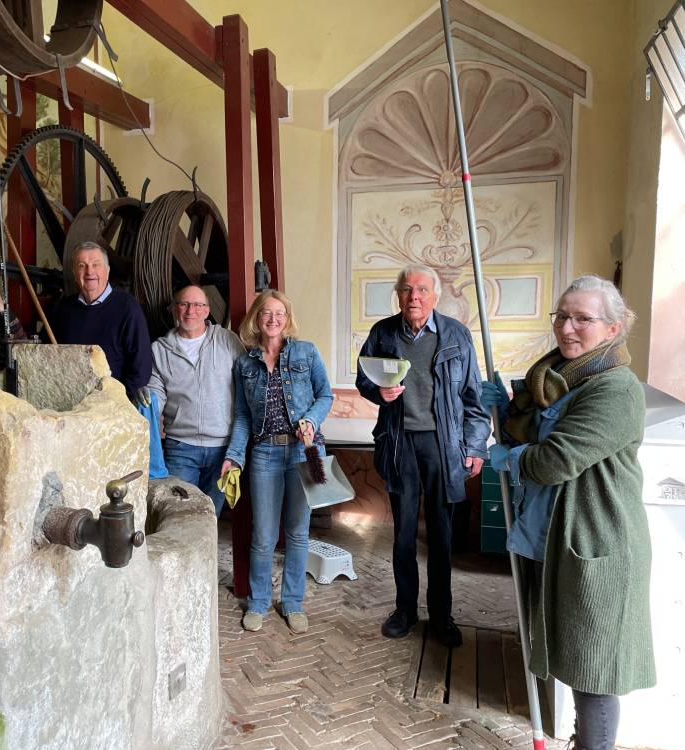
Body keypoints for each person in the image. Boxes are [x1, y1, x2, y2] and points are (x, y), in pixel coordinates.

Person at [481, 275, 655, 750]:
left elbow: (555, 460)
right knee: (566, 653)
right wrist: (508, 414)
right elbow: (534, 435)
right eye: (561, 315)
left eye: (582, 318)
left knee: (592, 668)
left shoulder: (615, 389)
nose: (567, 327)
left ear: (613, 328)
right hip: (551, 536)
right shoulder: (558, 378)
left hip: (595, 540)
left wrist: (513, 458)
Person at [356, 264, 490, 647]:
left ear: (435, 296)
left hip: (442, 445)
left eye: (421, 290)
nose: (413, 296)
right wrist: (378, 392)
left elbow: (474, 398)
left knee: (442, 535)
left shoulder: (456, 335)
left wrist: (476, 445)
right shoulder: (383, 333)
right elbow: (364, 378)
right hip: (399, 443)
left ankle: (442, 616)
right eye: (406, 289)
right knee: (402, 534)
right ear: (398, 295)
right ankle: (405, 611)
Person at [221, 290, 334, 635]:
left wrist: (311, 420)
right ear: (257, 318)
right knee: (263, 535)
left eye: (280, 313)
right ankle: (258, 603)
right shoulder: (245, 365)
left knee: (297, 532)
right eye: (266, 313)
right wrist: (233, 456)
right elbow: (242, 416)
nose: (273, 319)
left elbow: (325, 395)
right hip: (264, 454)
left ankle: (293, 602)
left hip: (302, 452)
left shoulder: (306, 352)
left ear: (287, 318)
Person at [149, 285, 245, 516]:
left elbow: (247, 386)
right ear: (175, 309)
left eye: (197, 305)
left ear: (207, 310)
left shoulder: (227, 341)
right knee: (179, 515)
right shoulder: (159, 350)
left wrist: (238, 450)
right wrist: (145, 405)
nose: (190, 310)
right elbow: (154, 395)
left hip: (222, 448)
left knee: (210, 517)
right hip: (180, 448)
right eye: (184, 304)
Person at [50, 242, 152, 406]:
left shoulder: (127, 307)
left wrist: (119, 402)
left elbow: (141, 367)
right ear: (75, 273)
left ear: (107, 271)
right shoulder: (64, 309)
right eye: (82, 266)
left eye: (96, 265)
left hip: (112, 406)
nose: (89, 272)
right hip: (70, 405)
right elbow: (45, 351)